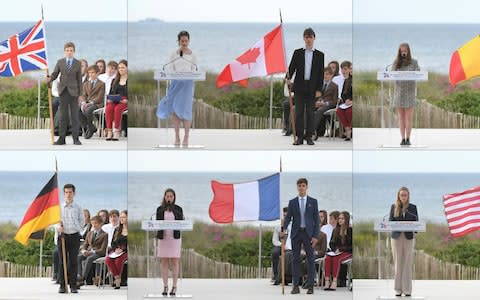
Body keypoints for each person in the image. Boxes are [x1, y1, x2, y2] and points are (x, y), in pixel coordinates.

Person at [157, 30, 198, 147]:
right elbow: (169, 68)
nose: (184, 43)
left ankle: (186, 137)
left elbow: (195, 69)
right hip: (175, 83)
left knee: (186, 110)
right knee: (175, 110)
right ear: (178, 41)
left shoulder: (193, 54)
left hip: (188, 85)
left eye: (186, 41)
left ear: (189, 41)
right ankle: (176, 136)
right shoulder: (174, 53)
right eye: (182, 41)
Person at [286, 28, 324, 146]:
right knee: (299, 113)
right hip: (299, 87)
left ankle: (309, 137)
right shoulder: (298, 53)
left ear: (314, 38)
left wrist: (319, 89)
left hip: (312, 88)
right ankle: (300, 137)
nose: (308, 39)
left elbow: (320, 74)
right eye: (306, 37)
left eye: (310, 37)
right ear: (304, 38)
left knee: (310, 113)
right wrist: (287, 78)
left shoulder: (319, 55)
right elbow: (291, 67)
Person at [284, 178, 320, 294]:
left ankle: (310, 286)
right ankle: (295, 286)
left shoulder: (313, 202)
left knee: (310, 259)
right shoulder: (292, 202)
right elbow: (288, 218)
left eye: (303, 185)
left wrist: (315, 236)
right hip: (296, 233)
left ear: (306, 187)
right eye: (299, 185)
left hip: (309, 234)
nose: (301, 187)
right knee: (295, 260)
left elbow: (317, 220)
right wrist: (283, 229)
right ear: (297, 187)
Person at [47, 42, 83, 145]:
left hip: (74, 93)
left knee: (74, 116)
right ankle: (61, 139)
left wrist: (80, 94)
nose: (69, 52)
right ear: (64, 52)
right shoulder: (60, 62)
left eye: (71, 50)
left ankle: (76, 138)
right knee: (63, 116)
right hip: (63, 91)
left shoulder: (77, 63)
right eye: (67, 50)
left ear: (74, 52)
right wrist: (49, 79)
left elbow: (79, 79)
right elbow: (55, 74)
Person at [389, 187, 418, 297]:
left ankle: (407, 290)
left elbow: (416, 221)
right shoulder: (394, 207)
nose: (403, 197)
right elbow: (390, 222)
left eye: (405, 195)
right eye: (401, 195)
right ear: (398, 196)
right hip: (396, 237)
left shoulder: (413, 207)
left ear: (408, 196)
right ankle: (398, 289)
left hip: (409, 237)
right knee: (398, 263)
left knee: (407, 263)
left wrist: (415, 228)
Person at [157, 188, 184, 296]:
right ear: (164, 197)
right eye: (167, 196)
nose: (169, 198)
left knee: (175, 262)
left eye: (171, 196)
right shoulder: (159, 209)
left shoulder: (178, 209)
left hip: (174, 239)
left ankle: (174, 287)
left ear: (174, 198)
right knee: (164, 262)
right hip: (163, 238)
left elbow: (182, 223)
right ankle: (165, 286)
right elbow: (157, 223)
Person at [56, 183, 83, 293]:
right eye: (66, 192)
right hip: (62, 236)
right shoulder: (59, 208)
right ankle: (62, 285)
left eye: (70, 192)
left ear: (74, 193)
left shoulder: (78, 207)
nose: (68, 194)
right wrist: (58, 227)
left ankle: (73, 286)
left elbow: (82, 222)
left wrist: (75, 228)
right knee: (62, 261)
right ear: (64, 193)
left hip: (74, 236)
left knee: (73, 262)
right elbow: (55, 221)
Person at [392, 43, 420, 146]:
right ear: (399, 52)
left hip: (410, 92)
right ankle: (402, 138)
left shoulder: (414, 62)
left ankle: (408, 138)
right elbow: (392, 75)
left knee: (409, 117)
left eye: (405, 51)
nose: (403, 52)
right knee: (401, 117)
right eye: (401, 51)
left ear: (408, 51)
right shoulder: (396, 62)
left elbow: (418, 73)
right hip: (399, 92)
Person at [324, 211, 352, 291]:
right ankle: (327, 281)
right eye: (339, 218)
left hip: (347, 251)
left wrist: (341, 250)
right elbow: (331, 243)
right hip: (337, 251)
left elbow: (351, 245)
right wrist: (335, 250)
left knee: (337, 259)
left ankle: (334, 282)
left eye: (342, 218)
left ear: (346, 219)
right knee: (328, 258)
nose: (340, 220)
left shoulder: (350, 230)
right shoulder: (335, 230)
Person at [77, 215, 107, 287]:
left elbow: (103, 250)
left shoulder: (105, 235)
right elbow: (85, 244)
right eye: (92, 223)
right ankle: (79, 276)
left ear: (100, 224)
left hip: (98, 253)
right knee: (78, 257)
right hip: (89, 252)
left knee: (89, 258)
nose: (94, 225)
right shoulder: (90, 233)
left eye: (96, 223)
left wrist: (92, 252)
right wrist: (83, 250)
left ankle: (83, 279)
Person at [79, 65, 105, 139]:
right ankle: (90, 127)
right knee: (77, 110)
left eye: (93, 73)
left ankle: (90, 128)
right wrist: (83, 102)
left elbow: (100, 97)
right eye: (89, 73)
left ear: (97, 73)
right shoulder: (86, 84)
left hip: (97, 103)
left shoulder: (101, 84)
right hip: (87, 103)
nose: (91, 74)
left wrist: (90, 103)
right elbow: (83, 95)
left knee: (88, 110)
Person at [105, 59, 128, 141]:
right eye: (119, 68)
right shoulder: (114, 80)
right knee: (109, 108)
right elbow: (111, 93)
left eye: (123, 67)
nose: (121, 69)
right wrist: (110, 99)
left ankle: (117, 131)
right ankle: (109, 131)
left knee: (117, 109)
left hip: (125, 101)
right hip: (115, 99)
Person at [105, 210, 128, 289]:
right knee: (108, 259)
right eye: (121, 217)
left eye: (124, 217)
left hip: (126, 251)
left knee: (118, 260)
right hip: (116, 250)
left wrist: (123, 249)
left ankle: (117, 281)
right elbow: (112, 243)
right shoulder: (117, 229)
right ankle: (117, 277)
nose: (121, 219)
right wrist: (115, 249)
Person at [314, 67, 338, 139]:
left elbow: (334, 101)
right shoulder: (320, 84)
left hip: (329, 105)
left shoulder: (334, 86)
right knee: (308, 108)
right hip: (319, 103)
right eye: (324, 74)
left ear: (331, 75)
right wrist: (318, 101)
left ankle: (312, 131)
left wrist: (324, 103)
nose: (325, 76)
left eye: (327, 74)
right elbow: (319, 95)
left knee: (319, 111)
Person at [336, 61, 353, 141]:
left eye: (346, 69)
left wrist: (352, 101)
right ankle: (347, 129)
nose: (344, 71)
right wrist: (346, 100)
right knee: (339, 110)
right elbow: (343, 94)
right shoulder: (346, 80)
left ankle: (349, 130)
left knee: (349, 112)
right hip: (347, 103)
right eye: (342, 69)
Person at [271, 207, 288, 285]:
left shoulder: (293, 225)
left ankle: (287, 276)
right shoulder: (278, 226)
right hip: (280, 245)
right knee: (275, 252)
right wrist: (282, 245)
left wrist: (287, 246)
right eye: (284, 215)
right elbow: (274, 240)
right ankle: (276, 275)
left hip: (290, 246)